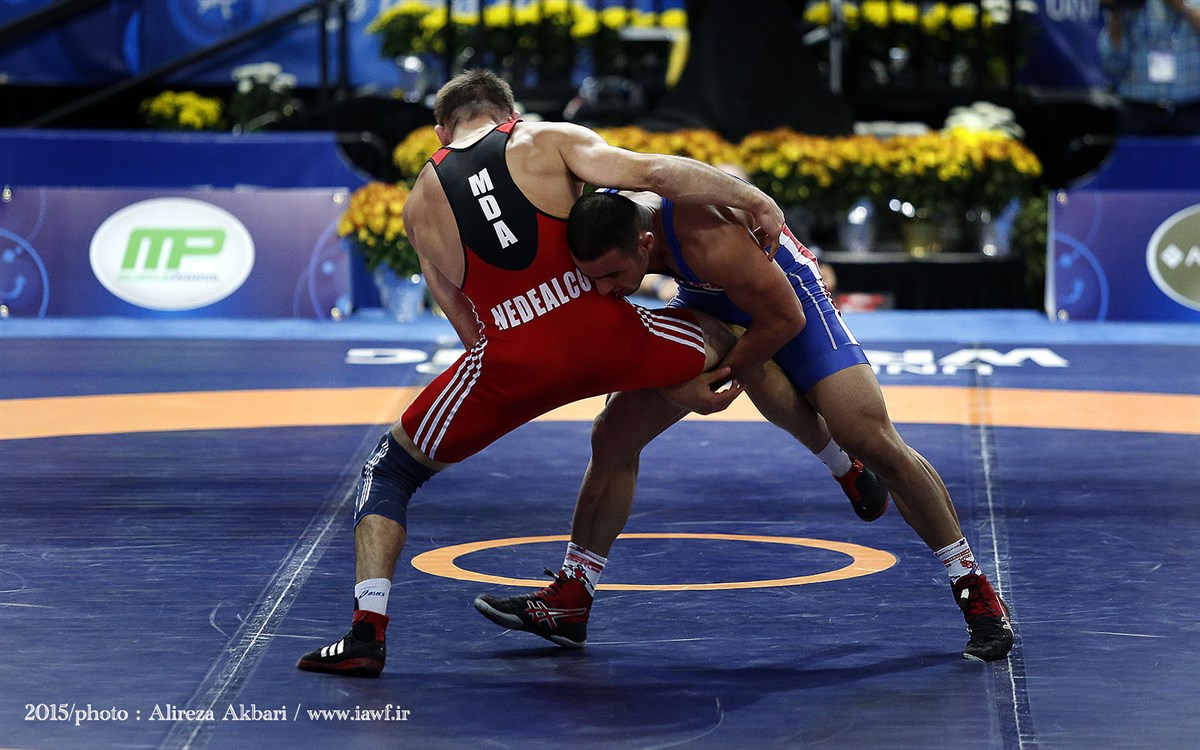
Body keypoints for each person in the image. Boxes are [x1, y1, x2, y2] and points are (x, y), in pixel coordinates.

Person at [296, 69, 867, 677]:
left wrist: (522, 370)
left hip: (511, 356)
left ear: (441, 132)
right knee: (732, 337)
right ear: (508, 114)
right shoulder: (544, 140)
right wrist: (751, 197)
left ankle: (367, 630)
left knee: (391, 469)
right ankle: (844, 465)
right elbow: (656, 173)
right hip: (608, 333)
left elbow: (466, 325)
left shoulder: (418, 206)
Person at [473, 190, 1015, 662]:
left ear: (645, 244)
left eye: (613, 276)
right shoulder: (600, 219)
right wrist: (681, 384)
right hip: (704, 301)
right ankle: (572, 597)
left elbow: (784, 320)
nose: (605, 289)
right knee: (612, 433)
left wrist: (710, 376)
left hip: (787, 298)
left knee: (870, 437)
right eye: (595, 278)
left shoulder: (704, 235)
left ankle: (974, 589)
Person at [1099, 0, 1200, 135]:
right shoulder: (1130, 5)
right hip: (1138, 112)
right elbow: (1112, 65)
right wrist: (1115, 13)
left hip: (1191, 111)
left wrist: (1183, 7)